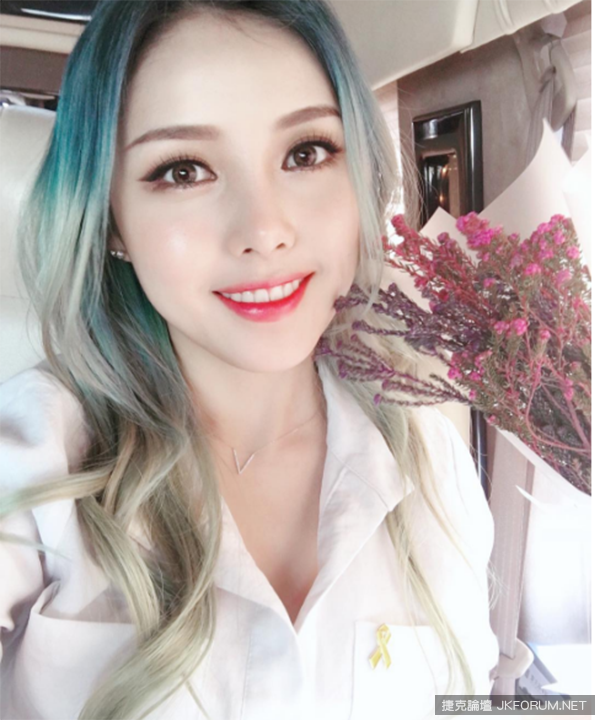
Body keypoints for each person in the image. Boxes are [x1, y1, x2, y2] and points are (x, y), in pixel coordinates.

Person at [0, 0, 500, 718]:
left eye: (306, 153)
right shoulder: (33, 462)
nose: (264, 230)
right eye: (183, 171)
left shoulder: (432, 462)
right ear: (110, 218)